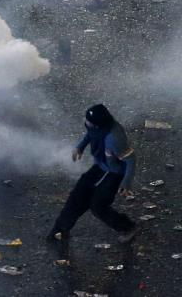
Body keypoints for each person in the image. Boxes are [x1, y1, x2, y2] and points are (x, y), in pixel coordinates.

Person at [47, 104, 138, 244]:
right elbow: (90, 135)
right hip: (100, 166)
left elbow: (130, 160)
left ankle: (127, 227)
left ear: (98, 125)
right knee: (77, 196)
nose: (86, 122)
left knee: (98, 205)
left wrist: (126, 183)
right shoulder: (98, 128)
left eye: (89, 121)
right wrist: (80, 147)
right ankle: (60, 230)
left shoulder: (115, 139)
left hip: (113, 173)